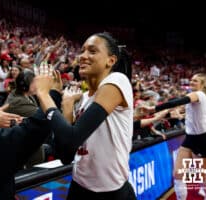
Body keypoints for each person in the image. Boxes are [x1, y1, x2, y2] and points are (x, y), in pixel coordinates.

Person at [34, 32, 136, 199]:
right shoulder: (82, 99)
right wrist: (66, 106)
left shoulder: (118, 80)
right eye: (82, 51)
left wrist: (45, 95)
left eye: (92, 51)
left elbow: (72, 138)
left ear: (111, 60)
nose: (83, 56)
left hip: (111, 193)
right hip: (79, 187)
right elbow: (66, 154)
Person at [143, 73, 206, 200]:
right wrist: (164, 114)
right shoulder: (193, 98)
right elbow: (179, 110)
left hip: (203, 140)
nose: (192, 82)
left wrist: (153, 108)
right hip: (189, 139)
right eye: (191, 80)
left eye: (195, 81)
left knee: (200, 176)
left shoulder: (198, 94)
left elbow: (176, 102)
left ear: (202, 84)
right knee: (178, 175)